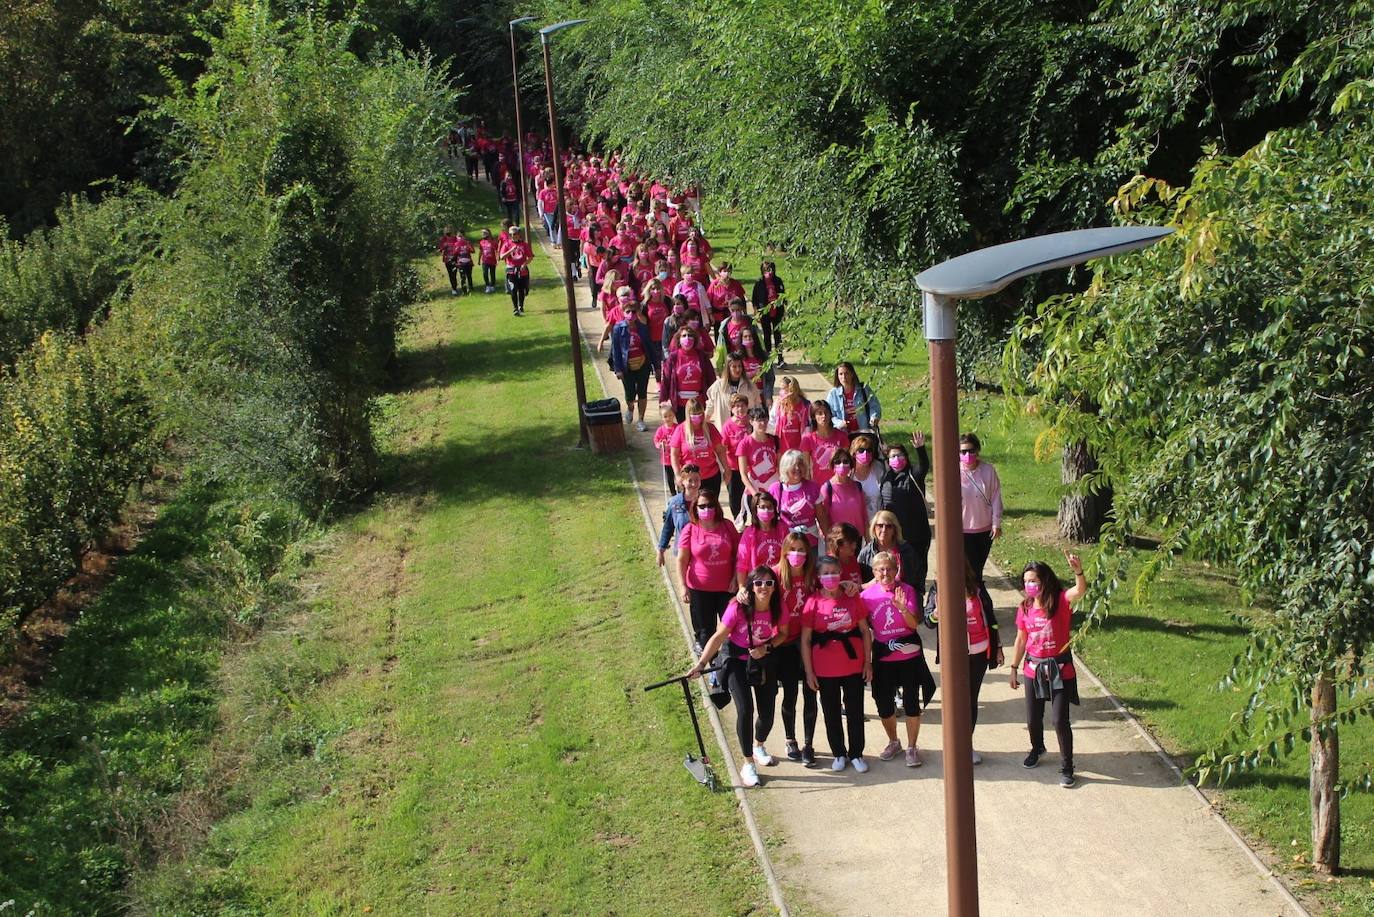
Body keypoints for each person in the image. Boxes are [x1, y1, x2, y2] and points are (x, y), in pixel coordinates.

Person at [687, 566, 785, 788]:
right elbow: (719, 636)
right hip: (735, 659)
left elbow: (784, 633)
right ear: (751, 585)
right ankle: (748, 762)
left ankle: (759, 745)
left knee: (767, 712)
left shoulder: (778, 607)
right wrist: (701, 664)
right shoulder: (737, 607)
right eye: (759, 583)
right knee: (745, 709)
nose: (764, 588)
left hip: (761, 660)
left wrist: (766, 648)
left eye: (769, 583)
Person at [1010, 553, 1086, 787]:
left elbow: (1080, 590)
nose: (1029, 585)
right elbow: (1021, 639)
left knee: (1059, 720)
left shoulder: (1061, 601)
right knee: (1033, 719)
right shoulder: (1024, 608)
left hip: (1060, 670)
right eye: (1026, 581)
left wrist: (1078, 571)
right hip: (1033, 669)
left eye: (1033, 580)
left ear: (1044, 581)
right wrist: (1013, 667)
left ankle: (1067, 766)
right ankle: (1037, 748)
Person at [802, 555, 873, 773]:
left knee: (855, 710)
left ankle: (856, 753)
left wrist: (868, 663)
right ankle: (839, 753)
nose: (830, 576)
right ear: (818, 576)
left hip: (852, 664)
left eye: (834, 571)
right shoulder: (812, 602)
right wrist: (809, 672)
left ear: (840, 573)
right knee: (831, 712)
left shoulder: (852, 598)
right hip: (825, 668)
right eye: (825, 572)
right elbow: (805, 639)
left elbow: (864, 631)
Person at [862, 551, 932, 767]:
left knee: (911, 702)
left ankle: (912, 746)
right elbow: (863, 629)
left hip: (908, 651)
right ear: (874, 572)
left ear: (896, 570)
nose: (885, 573)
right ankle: (894, 741)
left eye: (889, 568)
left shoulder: (907, 591)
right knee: (884, 705)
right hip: (883, 653)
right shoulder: (866, 597)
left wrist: (901, 607)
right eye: (880, 569)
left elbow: (913, 624)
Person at [677, 489, 740, 652]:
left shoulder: (727, 526)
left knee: (732, 629)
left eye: (710, 505)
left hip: (727, 589)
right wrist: (683, 586)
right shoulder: (690, 529)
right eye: (702, 506)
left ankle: (729, 664)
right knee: (705, 632)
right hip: (699, 591)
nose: (707, 509)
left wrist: (735, 578)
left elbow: (739, 555)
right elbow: (682, 560)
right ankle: (710, 668)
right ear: (695, 508)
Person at [774, 533, 819, 765]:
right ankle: (790, 738)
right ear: (784, 552)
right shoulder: (775, 574)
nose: (797, 555)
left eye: (802, 550)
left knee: (811, 693)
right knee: (790, 694)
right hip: (786, 645)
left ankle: (809, 744)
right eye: (793, 549)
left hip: (809, 642)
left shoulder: (813, 577)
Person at [961, 561, 1002, 764]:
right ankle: (954, 744)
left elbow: (992, 619)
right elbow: (929, 622)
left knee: (970, 699)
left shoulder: (978, 590)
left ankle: (966, 745)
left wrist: (998, 647)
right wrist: (936, 613)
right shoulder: (938, 589)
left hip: (978, 653)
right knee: (956, 700)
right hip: (955, 656)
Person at [880, 436, 931, 595]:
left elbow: (924, 466)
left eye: (900, 455)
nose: (896, 459)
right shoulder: (886, 477)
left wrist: (920, 448)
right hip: (895, 536)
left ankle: (918, 600)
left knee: (917, 572)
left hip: (917, 535)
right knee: (897, 571)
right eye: (892, 456)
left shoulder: (914, 474)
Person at [960, 432, 1003, 583]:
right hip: (963, 530)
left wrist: (996, 523)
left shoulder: (988, 470)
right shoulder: (954, 472)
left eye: (971, 450)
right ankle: (978, 601)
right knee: (971, 572)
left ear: (977, 450)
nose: (967, 454)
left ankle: (977, 601)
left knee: (977, 569)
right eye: (963, 451)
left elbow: (996, 497)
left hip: (984, 530)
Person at [610, 299, 658, 431]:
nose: (631, 314)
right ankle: (630, 408)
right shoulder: (618, 329)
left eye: (633, 311)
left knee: (642, 393)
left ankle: (641, 419)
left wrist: (656, 366)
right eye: (628, 311)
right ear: (623, 313)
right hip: (627, 367)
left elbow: (649, 346)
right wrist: (618, 369)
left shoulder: (642, 328)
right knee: (630, 393)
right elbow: (616, 351)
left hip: (643, 365)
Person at [670, 397, 730, 499]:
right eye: (694, 414)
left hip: (711, 476)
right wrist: (677, 474)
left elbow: (720, 451)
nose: (697, 417)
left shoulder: (710, 428)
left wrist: (727, 469)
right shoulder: (680, 430)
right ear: (688, 415)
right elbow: (674, 454)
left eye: (699, 414)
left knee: (709, 510)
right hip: (690, 479)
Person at [768, 450, 830, 544]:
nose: (797, 468)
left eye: (800, 464)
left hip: (810, 541)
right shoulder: (775, 489)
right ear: (785, 468)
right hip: (786, 543)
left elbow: (821, 516)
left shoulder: (813, 487)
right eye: (793, 465)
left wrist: (828, 539)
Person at [659, 326, 716, 422]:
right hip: (680, 404)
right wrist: (663, 400)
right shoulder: (673, 357)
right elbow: (666, 380)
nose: (687, 338)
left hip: (699, 402)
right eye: (684, 336)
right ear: (679, 339)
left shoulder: (702, 356)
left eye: (690, 336)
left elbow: (711, 378)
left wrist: (714, 397)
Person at [858, 511, 921, 594]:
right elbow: (860, 584)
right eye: (880, 526)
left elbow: (916, 580)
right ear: (874, 528)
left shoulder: (907, 551)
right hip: (875, 600)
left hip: (903, 597)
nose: (884, 530)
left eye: (889, 526)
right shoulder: (866, 553)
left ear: (894, 530)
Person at [736, 406, 779, 518]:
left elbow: (779, 466)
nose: (763, 423)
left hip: (773, 487)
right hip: (755, 487)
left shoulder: (775, 440)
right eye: (759, 420)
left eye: (765, 419)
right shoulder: (744, 444)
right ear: (751, 421)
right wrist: (754, 494)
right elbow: (743, 474)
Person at [705, 353, 763, 431]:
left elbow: (758, 406)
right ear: (728, 368)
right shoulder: (718, 386)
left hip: (746, 430)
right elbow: (710, 406)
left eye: (739, 366)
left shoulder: (750, 385)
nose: (738, 369)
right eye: (734, 367)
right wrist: (703, 423)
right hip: (725, 430)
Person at [656, 463, 701, 566]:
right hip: (682, 553)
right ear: (683, 482)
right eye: (690, 480)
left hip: (701, 552)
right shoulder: (675, 503)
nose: (694, 484)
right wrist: (661, 551)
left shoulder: (706, 501)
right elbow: (668, 527)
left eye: (697, 480)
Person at [736, 490, 786, 579]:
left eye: (770, 507)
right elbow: (742, 562)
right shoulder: (749, 533)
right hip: (757, 581)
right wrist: (742, 587)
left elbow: (788, 555)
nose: (766, 510)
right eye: (762, 507)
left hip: (779, 578)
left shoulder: (783, 529)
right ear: (755, 510)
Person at [826, 362, 883, 436]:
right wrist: (839, 423)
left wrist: (874, 417)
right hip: (843, 435)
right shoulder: (833, 394)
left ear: (852, 374)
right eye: (841, 374)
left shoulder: (864, 389)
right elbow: (829, 415)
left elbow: (874, 406)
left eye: (846, 373)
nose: (844, 377)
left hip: (863, 433)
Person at [719, 394, 752, 521]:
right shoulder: (728, 426)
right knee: (735, 496)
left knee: (749, 495)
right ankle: (738, 520)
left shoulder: (751, 422)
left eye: (742, 406)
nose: (740, 409)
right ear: (732, 409)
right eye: (737, 406)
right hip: (733, 467)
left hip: (750, 467)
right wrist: (725, 468)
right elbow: (722, 447)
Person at [820, 450, 867, 535]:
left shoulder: (857, 486)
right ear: (832, 465)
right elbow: (823, 518)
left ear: (850, 465)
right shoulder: (827, 488)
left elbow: (864, 515)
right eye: (837, 462)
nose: (841, 465)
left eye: (845, 461)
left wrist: (868, 541)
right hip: (838, 540)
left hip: (856, 538)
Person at [801, 401, 849, 482]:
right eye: (819, 413)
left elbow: (847, 464)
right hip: (818, 488)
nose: (824, 416)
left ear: (830, 414)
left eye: (826, 412)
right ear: (813, 417)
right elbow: (806, 469)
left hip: (838, 485)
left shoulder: (841, 436)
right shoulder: (808, 439)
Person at [751, 260, 786, 363]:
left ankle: (780, 358)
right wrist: (756, 313)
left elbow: (783, 297)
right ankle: (768, 358)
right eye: (766, 270)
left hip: (777, 312)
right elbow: (755, 299)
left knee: (777, 335)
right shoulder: (759, 283)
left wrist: (784, 311)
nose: (768, 272)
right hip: (765, 313)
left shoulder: (778, 281)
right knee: (766, 335)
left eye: (770, 270)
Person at [498, 226, 534, 316]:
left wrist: (524, 264)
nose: (514, 236)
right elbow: (502, 257)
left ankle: (521, 306)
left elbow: (530, 257)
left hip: (522, 270)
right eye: (512, 235)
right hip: (511, 270)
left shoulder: (524, 245)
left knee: (522, 289)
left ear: (519, 234)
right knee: (513, 289)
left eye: (516, 234)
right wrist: (510, 250)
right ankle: (515, 308)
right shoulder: (507, 244)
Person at [768, 377, 810, 454]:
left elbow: (808, 428)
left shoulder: (805, 406)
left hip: (800, 449)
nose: (781, 392)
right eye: (780, 389)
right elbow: (771, 423)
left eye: (783, 389)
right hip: (782, 447)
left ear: (792, 390)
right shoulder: (778, 404)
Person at [850, 432, 884, 522]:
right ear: (854, 453)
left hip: (877, 524)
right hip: (856, 524)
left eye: (869, 450)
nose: (865, 453)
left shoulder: (879, 469)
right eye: (861, 450)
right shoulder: (848, 474)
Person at [825, 522, 870, 589]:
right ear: (838, 543)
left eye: (855, 542)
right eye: (850, 543)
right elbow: (836, 590)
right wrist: (868, 585)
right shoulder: (829, 564)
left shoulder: (852, 559)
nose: (854, 546)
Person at [652, 402, 678, 496]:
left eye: (670, 415)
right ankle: (673, 493)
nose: (668, 418)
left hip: (678, 458)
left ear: (673, 415)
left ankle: (680, 492)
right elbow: (656, 441)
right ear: (662, 418)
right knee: (670, 478)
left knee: (679, 476)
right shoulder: (661, 430)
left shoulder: (678, 428)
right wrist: (660, 445)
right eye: (665, 416)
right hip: (666, 460)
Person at [478, 228, 498, 294]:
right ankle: (487, 285)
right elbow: (480, 251)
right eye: (482, 233)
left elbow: (496, 251)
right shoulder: (481, 242)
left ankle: (492, 286)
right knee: (485, 273)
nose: (483, 234)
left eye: (485, 233)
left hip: (492, 260)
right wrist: (479, 260)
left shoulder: (493, 242)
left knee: (492, 274)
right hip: (485, 261)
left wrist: (497, 258)